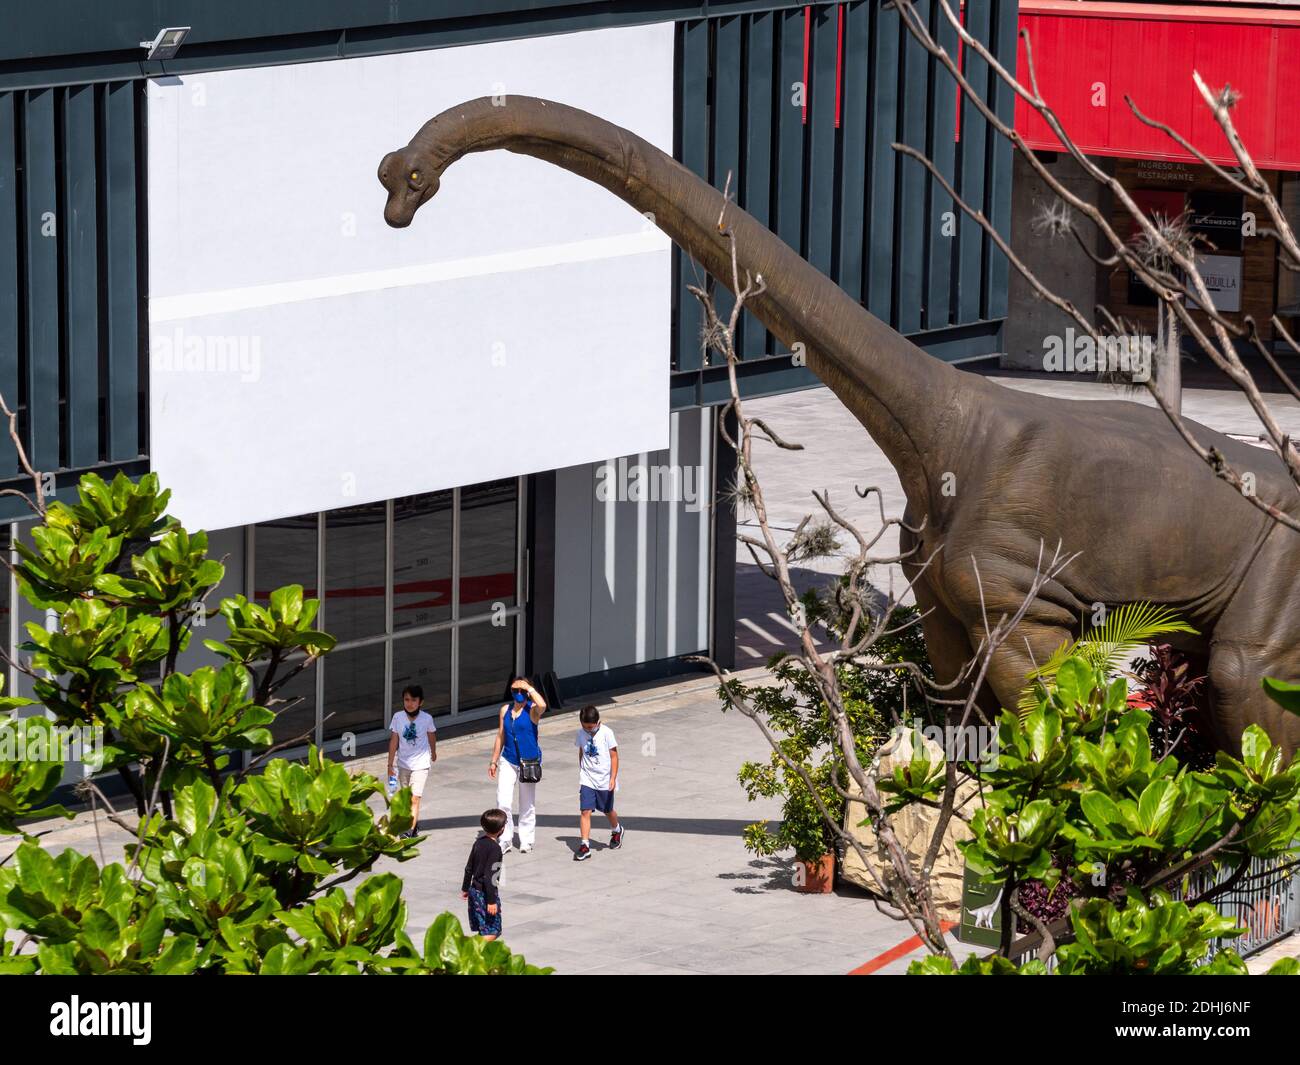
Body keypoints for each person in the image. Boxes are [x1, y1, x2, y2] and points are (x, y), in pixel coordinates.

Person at [488, 676, 547, 853]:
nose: (518, 693)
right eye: (515, 690)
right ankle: (505, 837)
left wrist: (529, 688)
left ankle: (526, 839)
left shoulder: (533, 710)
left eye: (522, 691)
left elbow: (543, 706)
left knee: (527, 802)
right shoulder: (505, 710)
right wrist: (494, 760)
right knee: (503, 800)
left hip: (528, 762)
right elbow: (500, 735)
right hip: (508, 759)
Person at [386, 685, 436, 838]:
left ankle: (407, 830)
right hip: (403, 764)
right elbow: (394, 740)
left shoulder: (427, 718)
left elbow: (432, 736)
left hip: (421, 764)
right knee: (407, 799)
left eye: (413, 700)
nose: (410, 703)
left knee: (415, 797)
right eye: (406, 699)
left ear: (420, 702)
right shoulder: (397, 717)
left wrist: (433, 752)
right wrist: (390, 764)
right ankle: (414, 825)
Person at [573, 704, 622, 862]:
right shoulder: (581, 733)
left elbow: (614, 756)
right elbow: (581, 750)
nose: (588, 730)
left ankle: (617, 830)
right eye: (585, 727)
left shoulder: (607, 733)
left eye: (591, 728)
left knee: (607, 810)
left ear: (598, 723)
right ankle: (585, 845)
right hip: (587, 778)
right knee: (585, 811)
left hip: (604, 779)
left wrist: (613, 778)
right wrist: (582, 769)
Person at [461, 808, 506, 940]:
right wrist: (491, 901)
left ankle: (478, 956)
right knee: (493, 930)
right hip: (485, 894)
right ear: (501, 829)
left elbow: (468, 868)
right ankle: (470, 949)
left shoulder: (478, 842)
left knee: (483, 927)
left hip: (474, 891)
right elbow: (490, 877)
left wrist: (465, 888)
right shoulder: (496, 849)